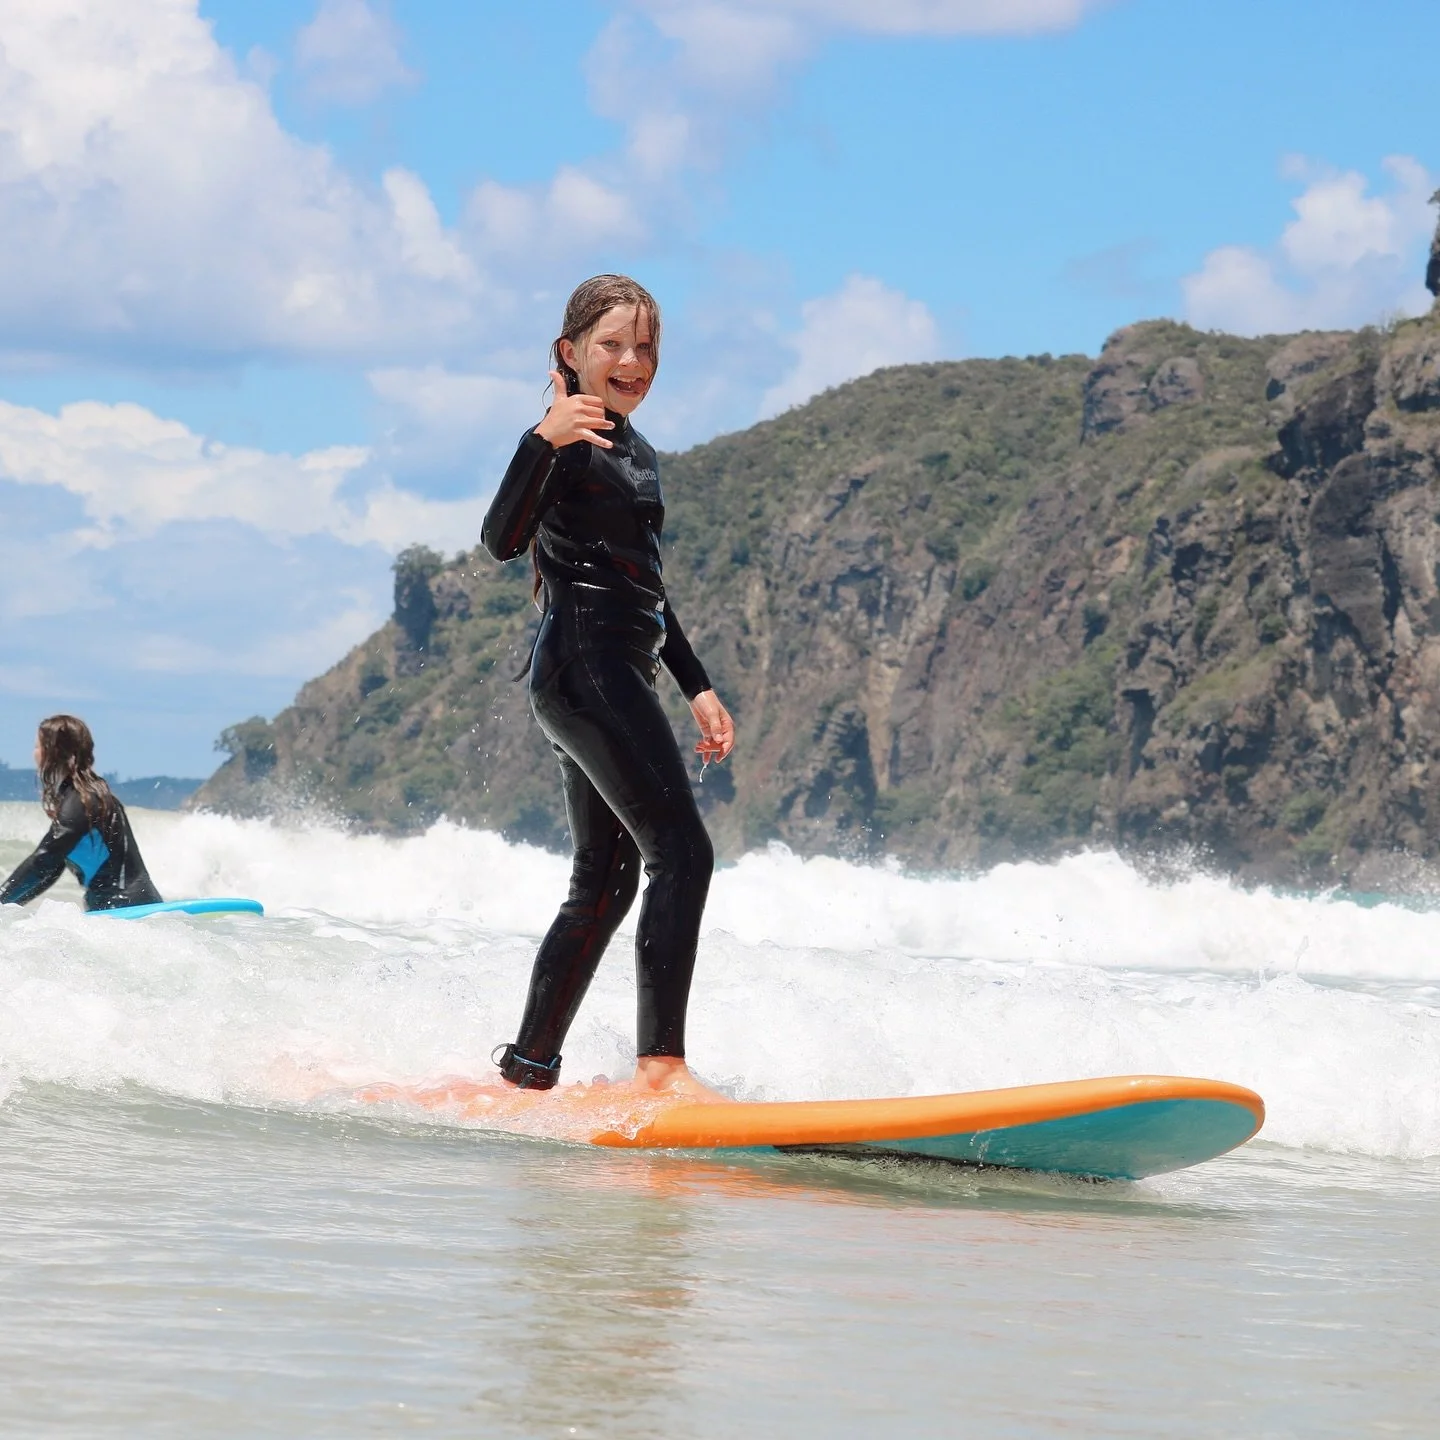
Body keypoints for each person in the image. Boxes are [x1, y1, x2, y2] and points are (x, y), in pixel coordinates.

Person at [481, 274, 735, 1095]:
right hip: (584, 665)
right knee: (684, 854)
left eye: (645, 347)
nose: (631, 361)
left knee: (609, 878)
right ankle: (661, 1070)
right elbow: (500, 540)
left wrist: (694, 684)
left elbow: (645, 586)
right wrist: (542, 439)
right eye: (612, 344)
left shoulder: (635, 449)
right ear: (571, 353)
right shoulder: (567, 440)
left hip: (611, 669)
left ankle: (528, 1070)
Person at [0, 714, 162, 912]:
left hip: (125, 907)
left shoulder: (82, 800)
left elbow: (44, 858)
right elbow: (49, 870)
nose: (34, 753)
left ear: (53, 751)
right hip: (119, 908)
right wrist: (6, 909)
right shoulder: (85, 796)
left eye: (37, 746)